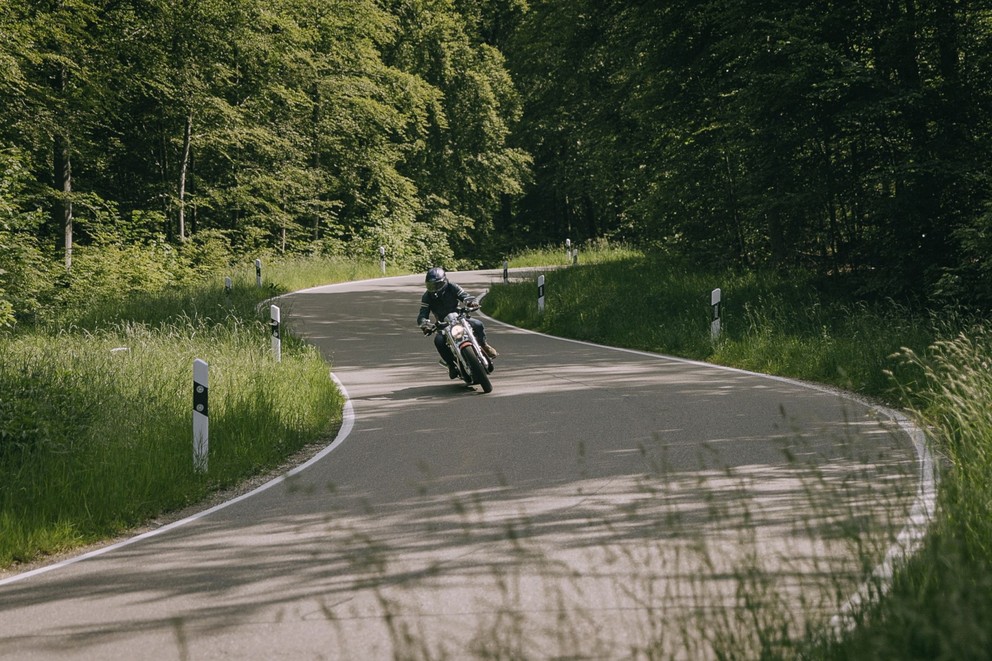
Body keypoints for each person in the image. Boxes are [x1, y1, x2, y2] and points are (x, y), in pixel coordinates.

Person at [417, 267, 498, 378]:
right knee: (439, 341)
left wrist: (470, 303)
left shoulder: (452, 287)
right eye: (431, 286)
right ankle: (451, 365)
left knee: (478, 324)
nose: (434, 289)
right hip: (443, 324)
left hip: (460, 318)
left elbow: (465, 296)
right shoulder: (427, 297)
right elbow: (423, 313)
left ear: (444, 281)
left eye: (437, 285)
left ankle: (483, 345)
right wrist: (425, 324)